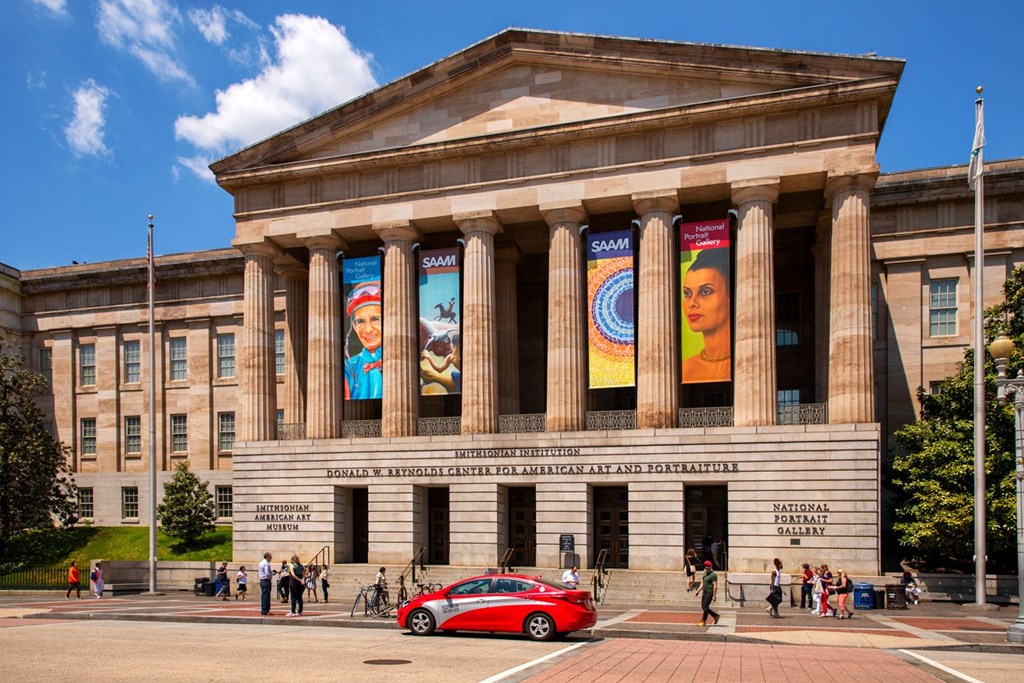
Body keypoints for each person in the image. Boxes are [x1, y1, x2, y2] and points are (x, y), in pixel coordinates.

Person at [681, 249, 731, 383]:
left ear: (730, 297)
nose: (692, 303)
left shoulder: (748, 363)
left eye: (706, 291)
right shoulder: (685, 368)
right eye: (687, 293)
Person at [343, 281, 383, 400]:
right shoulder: (348, 368)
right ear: (354, 327)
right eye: (360, 321)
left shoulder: (402, 361)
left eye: (375, 319)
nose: (368, 330)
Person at [694, 560, 719, 627]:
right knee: (703, 607)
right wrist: (698, 591)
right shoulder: (704, 573)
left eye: (708, 566)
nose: (707, 567)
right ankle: (715, 615)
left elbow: (715, 585)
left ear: (711, 566)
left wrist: (714, 595)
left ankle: (703, 621)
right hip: (704, 592)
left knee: (705, 606)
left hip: (709, 592)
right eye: (705, 566)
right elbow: (702, 583)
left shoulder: (713, 575)